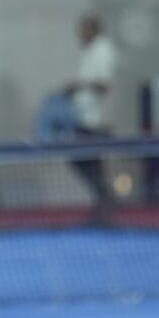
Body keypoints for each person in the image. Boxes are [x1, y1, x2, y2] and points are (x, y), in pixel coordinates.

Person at [65, 15, 118, 222]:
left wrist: (78, 86)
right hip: (85, 119)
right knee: (88, 163)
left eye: (83, 30)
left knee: (86, 161)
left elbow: (102, 85)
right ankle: (103, 204)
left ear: (93, 29)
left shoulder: (104, 51)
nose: (80, 35)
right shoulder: (90, 51)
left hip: (97, 122)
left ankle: (105, 203)